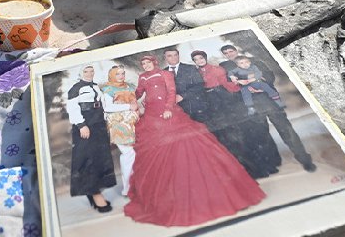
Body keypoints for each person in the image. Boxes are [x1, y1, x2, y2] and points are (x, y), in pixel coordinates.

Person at [124, 56, 265, 227]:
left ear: (154, 63)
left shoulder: (164, 74)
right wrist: (131, 98)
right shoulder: (142, 77)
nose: (146, 65)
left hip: (168, 111)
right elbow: (138, 92)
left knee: (188, 144)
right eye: (143, 63)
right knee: (156, 149)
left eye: (148, 63)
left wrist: (168, 108)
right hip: (152, 115)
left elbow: (171, 91)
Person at [220, 45, 316, 173]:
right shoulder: (224, 68)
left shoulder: (255, 61)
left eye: (231, 51)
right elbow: (227, 85)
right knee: (262, 136)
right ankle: (272, 164)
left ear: (236, 51)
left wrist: (259, 82)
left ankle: (304, 159)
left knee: (287, 131)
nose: (229, 54)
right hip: (250, 107)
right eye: (226, 53)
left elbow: (269, 76)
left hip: (269, 102)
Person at [191, 50, 280, 179]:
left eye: (201, 58)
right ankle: (250, 170)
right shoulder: (195, 73)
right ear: (194, 62)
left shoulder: (217, 69)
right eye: (196, 59)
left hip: (226, 101)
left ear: (205, 58)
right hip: (212, 105)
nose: (199, 61)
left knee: (244, 135)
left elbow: (227, 84)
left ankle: (263, 168)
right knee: (229, 140)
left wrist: (243, 87)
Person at [64, 65, 117, 213]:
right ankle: (94, 192)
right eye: (86, 71)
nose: (89, 74)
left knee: (100, 158)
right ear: (80, 73)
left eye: (91, 71)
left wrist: (106, 121)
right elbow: (73, 108)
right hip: (85, 124)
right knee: (88, 159)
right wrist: (81, 125)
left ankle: (94, 188)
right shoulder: (76, 88)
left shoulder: (96, 86)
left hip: (99, 124)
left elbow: (102, 105)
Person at [99, 65, 140, 197]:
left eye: (122, 73)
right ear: (112, 75)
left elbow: (136, 101)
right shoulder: (108, 89)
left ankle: (137, 186)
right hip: (118, 124)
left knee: (136, 154)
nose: (121, 76)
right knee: (128, 153)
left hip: (133, 122)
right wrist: (129, 106)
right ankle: (129, 188)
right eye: (118, 74)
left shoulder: (129, 86)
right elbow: (108, 107)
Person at [163, 48, 208, 123]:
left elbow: (199, 85)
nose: (174, 58)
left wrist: (182, 96)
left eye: (175, 55)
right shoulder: (162, 72)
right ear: (165, 58)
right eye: (170, 56)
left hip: (194, 107)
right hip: (175, 110)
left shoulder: (190, 68)